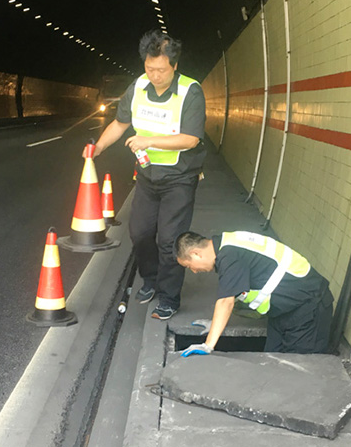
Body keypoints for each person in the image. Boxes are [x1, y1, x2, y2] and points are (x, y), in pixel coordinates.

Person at [88, 30, 206, 320]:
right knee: (139, 233)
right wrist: (99, 146)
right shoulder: (138, 86)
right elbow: (120, 123)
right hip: (147, 177)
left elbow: (191, 139)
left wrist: (148, 141)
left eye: (161, 70)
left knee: (170, 240)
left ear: (175, 66)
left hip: (179, 178)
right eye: (150, 68)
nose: (155, 75)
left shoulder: (190, 92)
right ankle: (150, 280)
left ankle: (169, 297)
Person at [174, 230, 333, 355]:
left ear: (196, 253)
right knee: (271, 360)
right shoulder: (227, 244)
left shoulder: (230, 255)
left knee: (299, 368)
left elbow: (226, 301)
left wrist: (208, 344)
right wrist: (215, 325)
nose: (194, 271)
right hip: (284, 311)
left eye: (189, 266)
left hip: (308, 307)